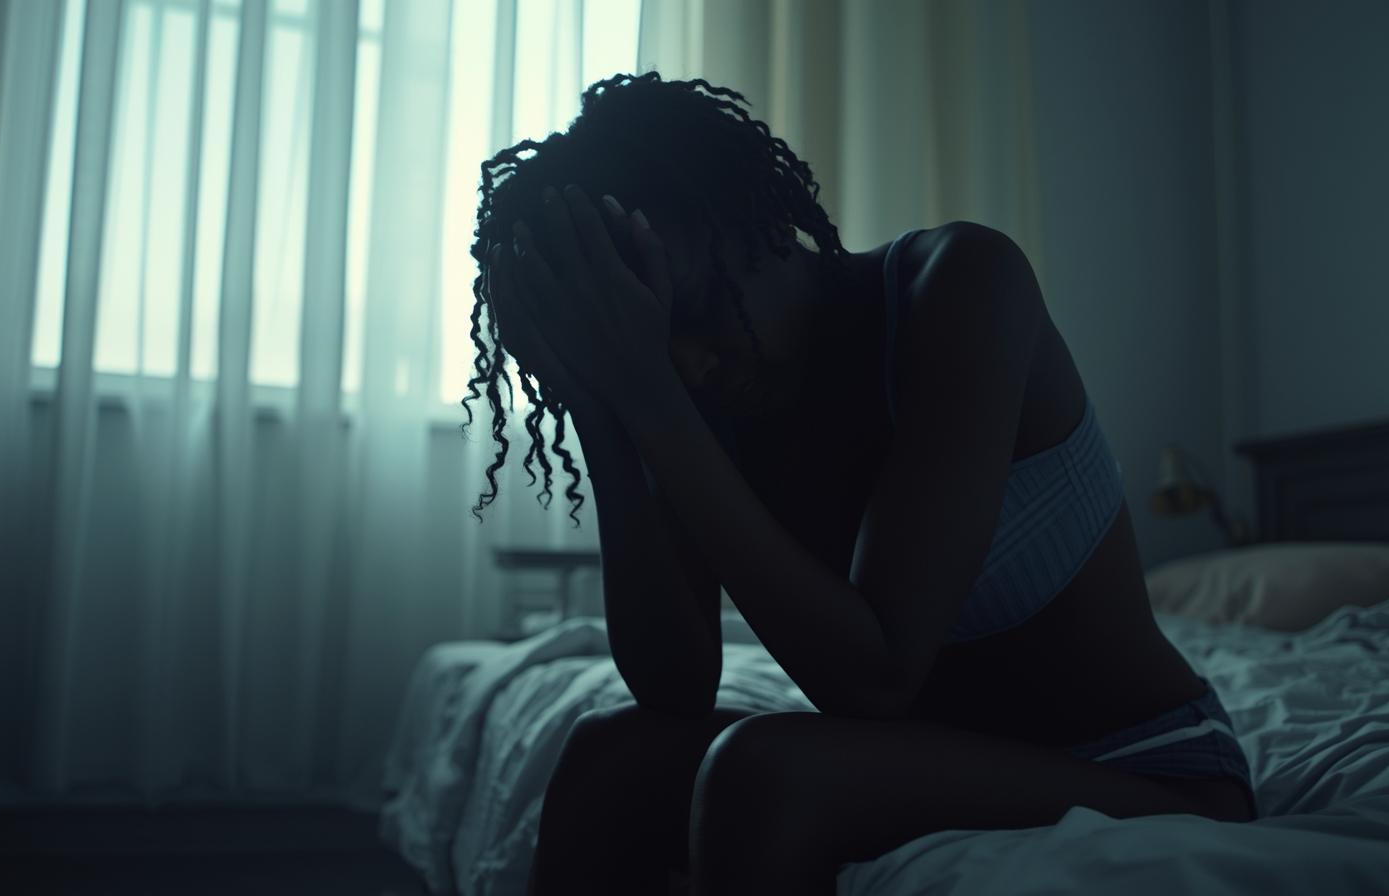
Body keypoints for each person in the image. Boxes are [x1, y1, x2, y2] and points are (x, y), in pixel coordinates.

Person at [461, 72, 1256, 896]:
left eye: (690, 311)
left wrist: (650, 393)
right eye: (653, 344)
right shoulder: (700, 395)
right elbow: (675, 682)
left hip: (1149, 770)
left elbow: (875, 679)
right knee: (608, 757)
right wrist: (606, 407)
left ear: (741, 219)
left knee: (760, 773)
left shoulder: (959, 286)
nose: (688, 362)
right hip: (950, 757)